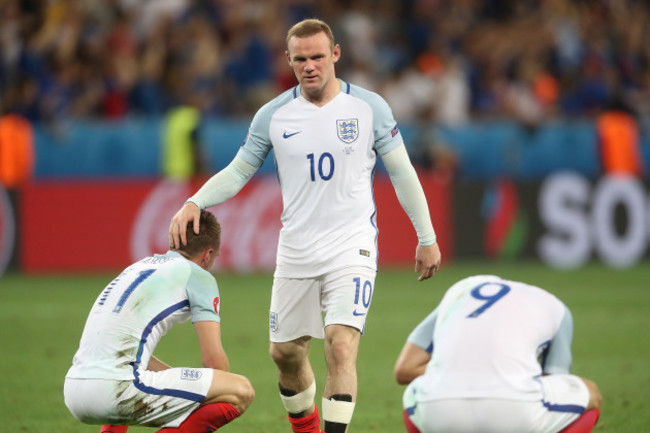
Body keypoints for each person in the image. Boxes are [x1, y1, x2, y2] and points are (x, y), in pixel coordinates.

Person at [169, 18, 442, 433]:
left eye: (317, 56)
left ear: (335, 54)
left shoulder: (369, 108)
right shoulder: (273, 115)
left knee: (340, 343)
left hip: (353, 246)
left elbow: (403, 173)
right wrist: (195, 200)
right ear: (289, 61)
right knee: (285, 354)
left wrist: (427, 237)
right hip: (296, 249)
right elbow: (239, 170)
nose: (310, 65)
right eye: (301, 59)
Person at [64, 210, 254, 433]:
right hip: (116, 389)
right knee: (240, 391)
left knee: (134, 370)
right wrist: (206, 393)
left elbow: (124, 347)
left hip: (75, 389)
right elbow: (214, 362)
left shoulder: (136, 268)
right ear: (208, 254)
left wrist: (185, 385)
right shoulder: (198, 275)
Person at [394, 275, 602, 433]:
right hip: (514, 412)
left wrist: (465, 373)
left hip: (439, 412)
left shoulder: (459, 292)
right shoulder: (556, 307)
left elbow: (405, 369)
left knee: (414, 395)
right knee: (591, 392)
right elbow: (554, 381)